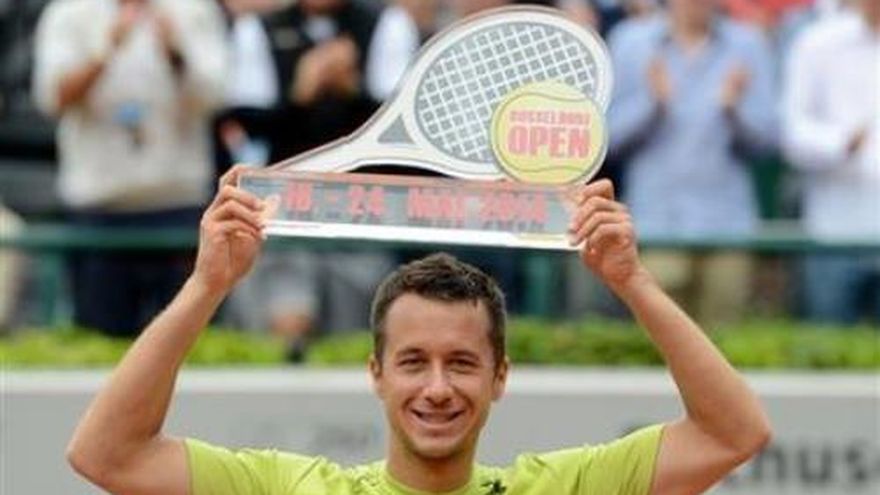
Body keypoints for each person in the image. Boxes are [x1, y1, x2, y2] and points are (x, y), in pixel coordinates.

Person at [66, 165, 771, 494]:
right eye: (413, 361)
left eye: (462, 362)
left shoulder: (560, 487)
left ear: (500, 376)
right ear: (376, 374)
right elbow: (106, 455)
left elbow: (733, 434)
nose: (437, 387)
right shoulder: (294, 488)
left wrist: (632, 281)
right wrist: (206, 286)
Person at [32, 0, 228, 336]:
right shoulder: (68, 12)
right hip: (99, 205)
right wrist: (104, 52)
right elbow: (54, 98)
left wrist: (174, 53)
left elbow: (217, 96)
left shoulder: (194, 9)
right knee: (100, 341)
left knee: (188, 340)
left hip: (178, 204)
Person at [604, 0, 777, 324]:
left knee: (723, 343)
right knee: (657, 337)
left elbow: (769, 141)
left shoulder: (748, 45)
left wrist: (734, 111)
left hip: (726, 224)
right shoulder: (629, 42)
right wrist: (652, 106)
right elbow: (606, 139)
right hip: (654, 223)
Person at [782, 0, 880, 324]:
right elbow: (792, 134)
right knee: (826, 346)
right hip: (833, 231)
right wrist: (841, 142)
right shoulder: (817, 42)